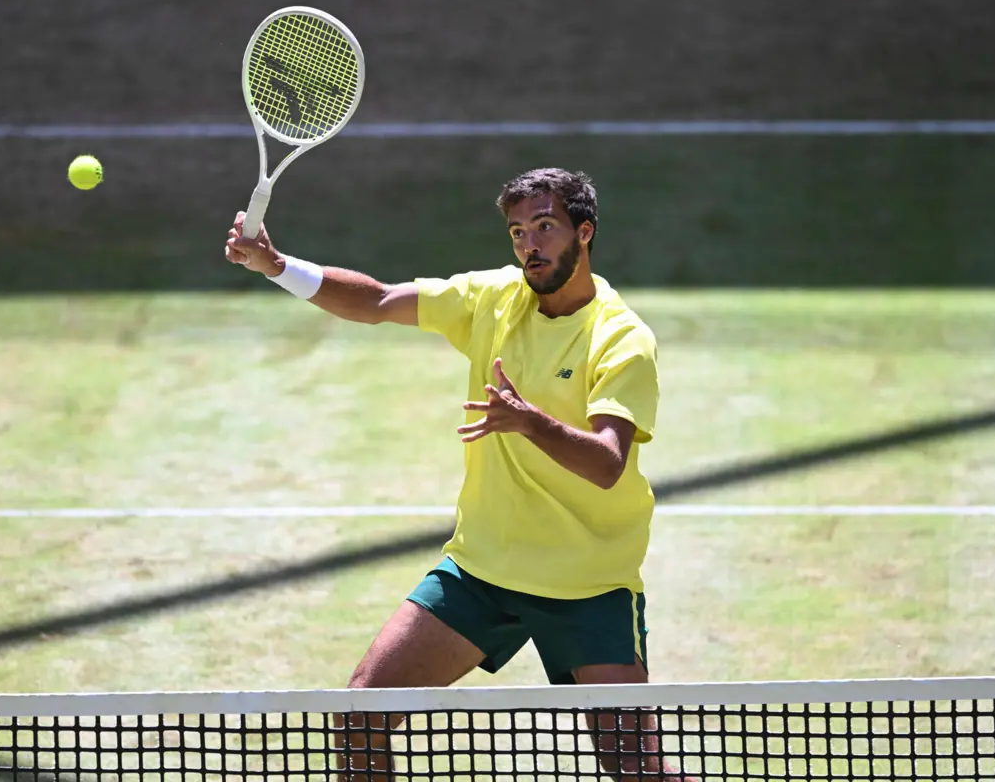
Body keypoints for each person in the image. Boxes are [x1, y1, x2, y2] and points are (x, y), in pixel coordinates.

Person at [226, 168, 691, 781]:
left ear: (585, 232)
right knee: (361, 711)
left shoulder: (621, 338)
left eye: (545, 227)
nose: (529, 244)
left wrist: (530, 422)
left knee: (638, 770)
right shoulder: (492, 298)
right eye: (518, 231)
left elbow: (607, 462)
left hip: (589, 586)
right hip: (483, 572)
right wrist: (277, 265)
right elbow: (377, 301)